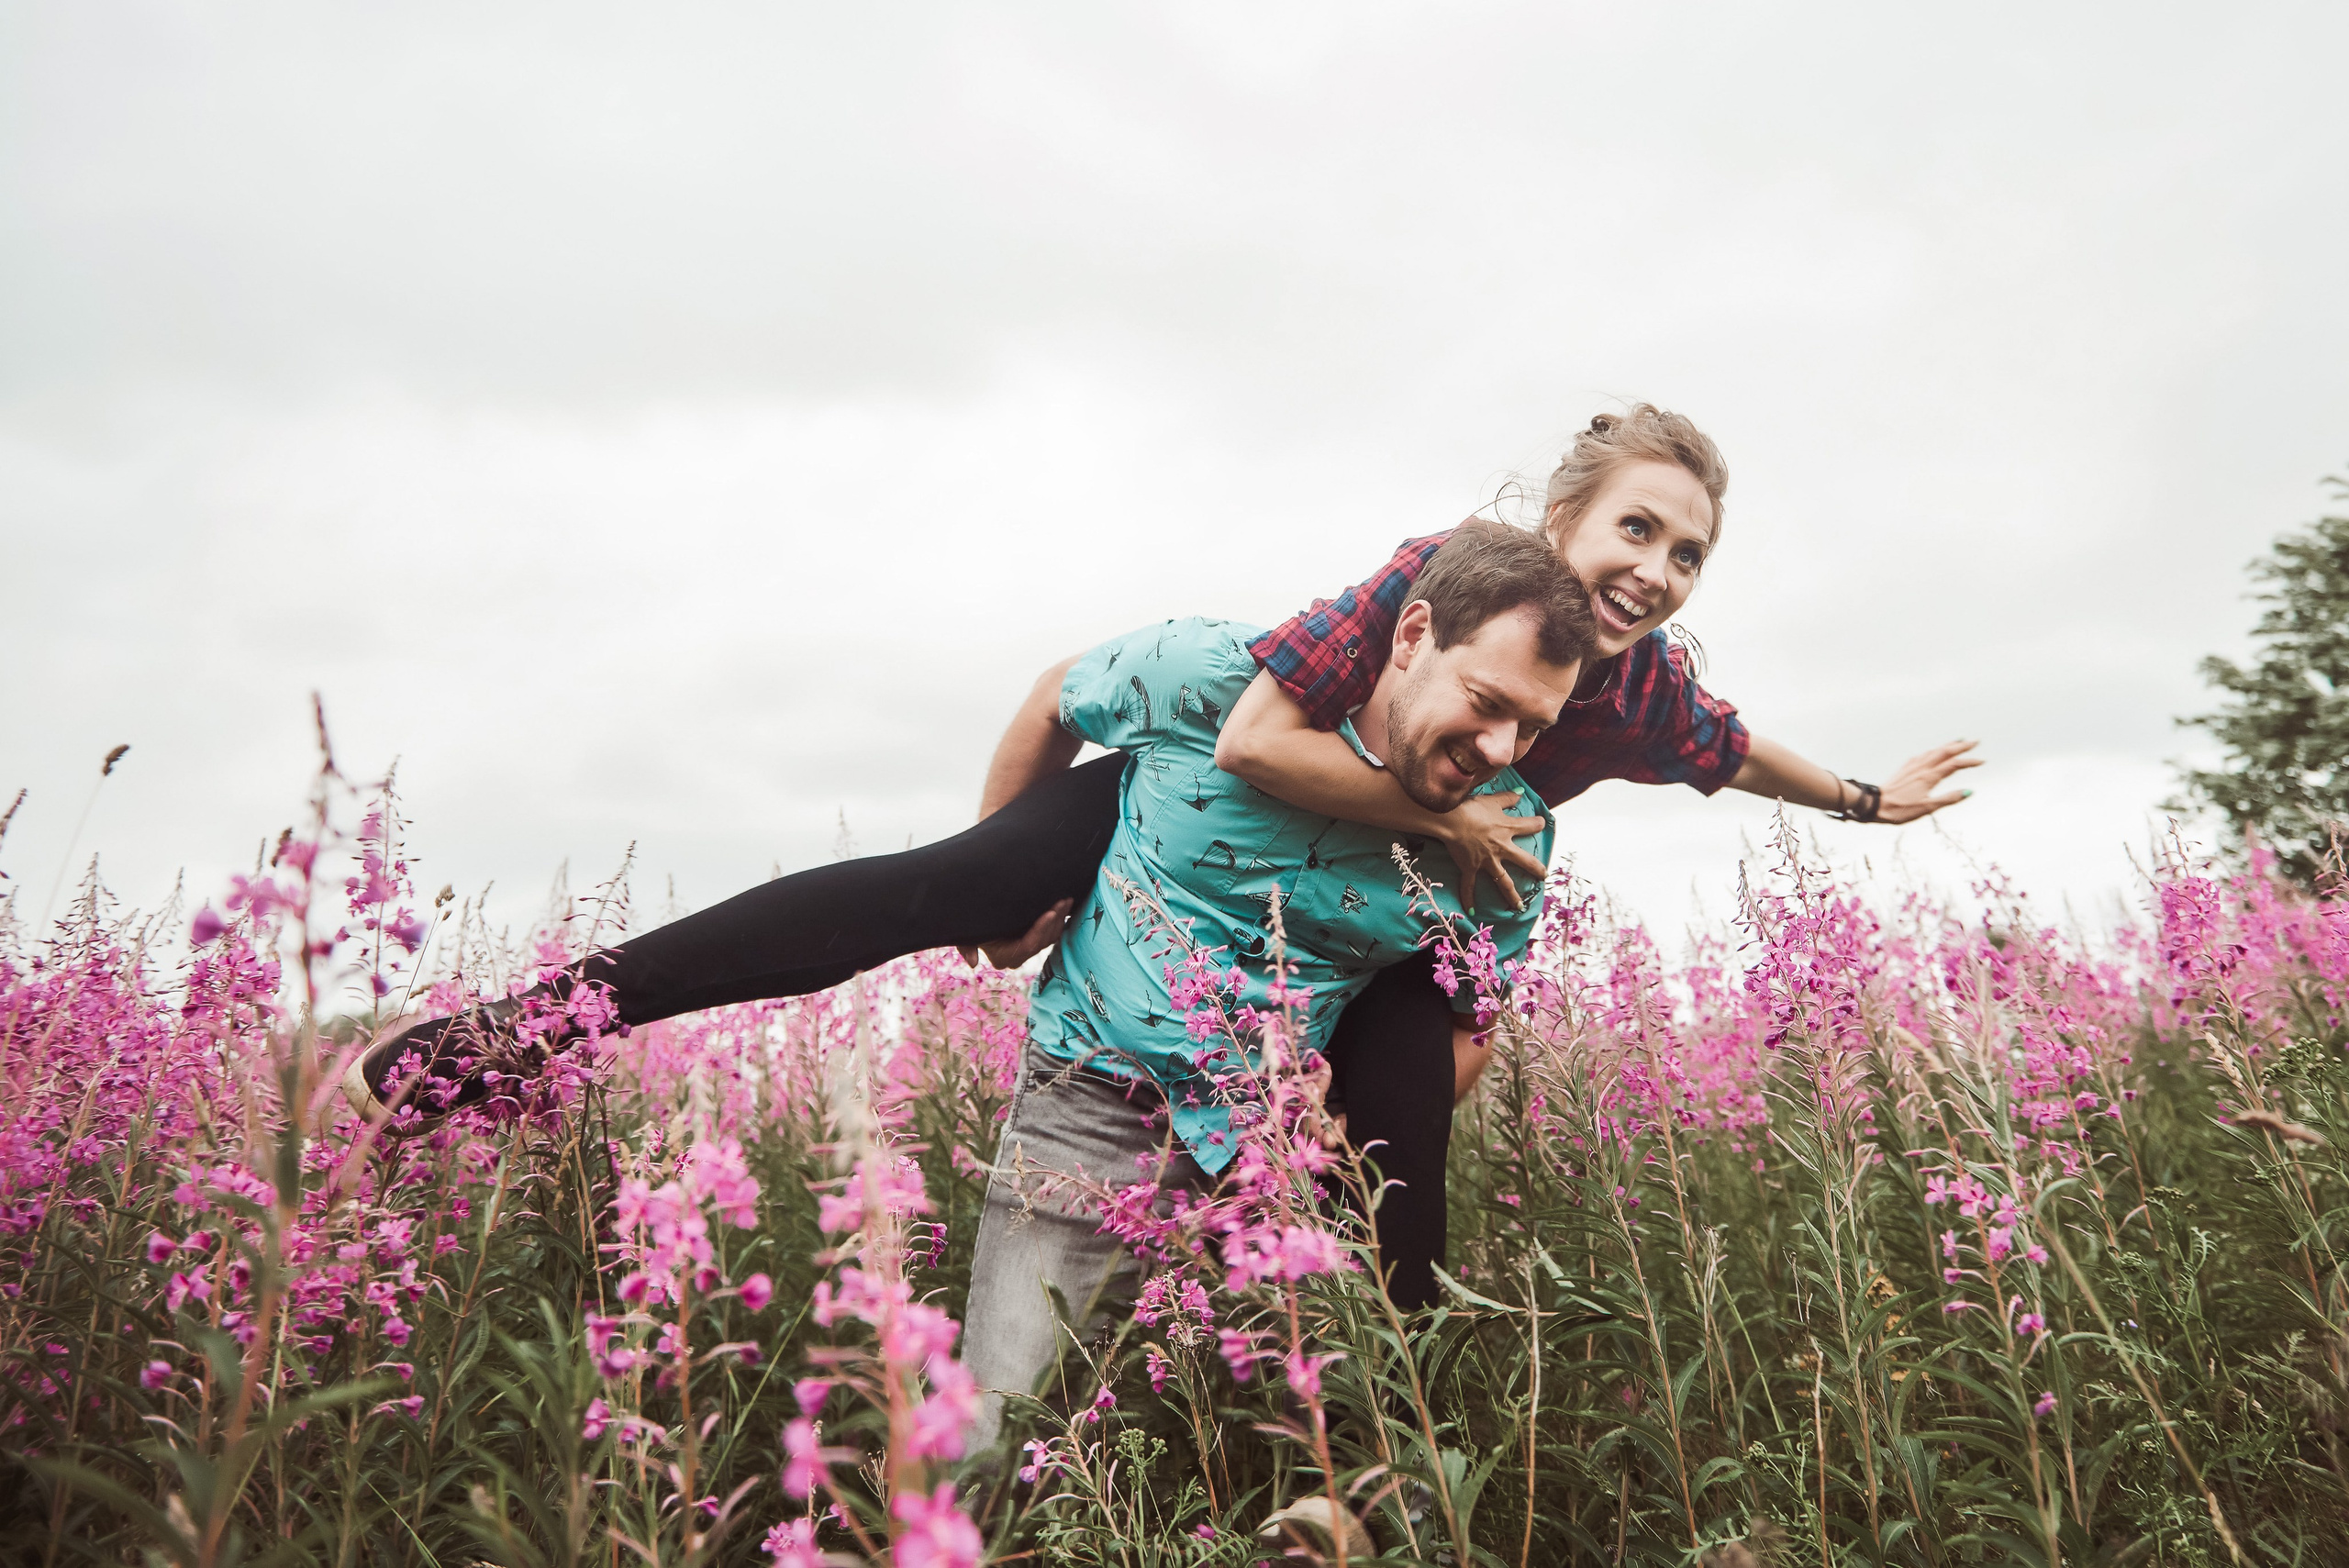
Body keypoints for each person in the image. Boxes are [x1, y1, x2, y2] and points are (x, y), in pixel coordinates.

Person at [345, 403, 1978, 1309]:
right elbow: (1257, 739)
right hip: (1190, 807)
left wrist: (1858, 798)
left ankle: (1378, 1384)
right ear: (1557, 520)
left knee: (1407, 1087)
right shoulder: (1422, 578)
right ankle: (483, 1046)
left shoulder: (1642, 688)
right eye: (1635, 528)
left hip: (1359, 915)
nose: (1659, 567)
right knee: (937, 893)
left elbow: (1729, 745)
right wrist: (1013, 848)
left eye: (1690, 551)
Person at [953, 523, 1590, 1451]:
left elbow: (1471, 1023)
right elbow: (1058, 694)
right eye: (1487, 700)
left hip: (1277, 1160)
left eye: (1533, 724)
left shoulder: (1507, 833)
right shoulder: (1212, 674)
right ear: (1411, 637)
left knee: (1348, 1458)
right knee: (997, 1448)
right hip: (1087, 1103)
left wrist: (1350, 1118)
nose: (1502, 744)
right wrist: (994, 872)